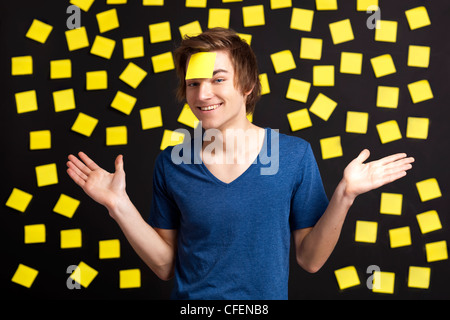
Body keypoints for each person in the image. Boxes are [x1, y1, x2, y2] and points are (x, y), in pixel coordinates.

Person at [66, 28, 414, 299]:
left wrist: (345, 195)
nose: (202, 95)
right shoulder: (171, 163)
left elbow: (310, 260)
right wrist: (119, 205)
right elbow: (165, 266)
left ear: (247, 86)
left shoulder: (293, 155)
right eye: (193, 83)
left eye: (218, 79)